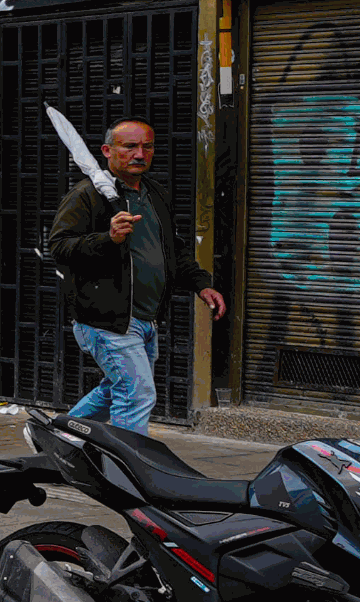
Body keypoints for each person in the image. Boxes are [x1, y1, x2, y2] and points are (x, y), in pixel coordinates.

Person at [46, 118, 226, 436]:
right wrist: (108, 239)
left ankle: (57, 436)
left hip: (146, 320)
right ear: (107, 150)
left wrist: (202, 285)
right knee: (137, 395)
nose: (139, 154)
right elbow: (59, 247)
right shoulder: (86, 195)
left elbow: (174, 252)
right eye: (129, 146)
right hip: (106, 321)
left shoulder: (156, 195)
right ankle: (128, 477)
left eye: (147, 146)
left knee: (117, 389)